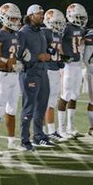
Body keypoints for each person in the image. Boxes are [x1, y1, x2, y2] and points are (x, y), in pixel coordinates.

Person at [17, 4, 55, 151]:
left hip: (42, 72)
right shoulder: (23, 32)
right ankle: (24, 140)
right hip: (30, 73)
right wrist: (36, 56)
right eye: (39, 13)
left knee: (42, 106)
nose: (42, 16)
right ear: (31, 15)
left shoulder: (41, 32)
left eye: (42, 13)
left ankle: (38, 136)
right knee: (29, 107)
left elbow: (44, 49)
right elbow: (19, 55)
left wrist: (48, 52)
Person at [0, 3, 23, 156]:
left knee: (12, 109)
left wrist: (18, 63)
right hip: (1, 75)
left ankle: (11, 141)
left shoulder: (15, 34)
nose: (15, 21)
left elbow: (12, 57)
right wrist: (9, 64)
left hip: (13, 76)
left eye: (17, 18)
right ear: (4, 18)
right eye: (12, 18)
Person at [58, 3, 88, 139]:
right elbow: (57, 41)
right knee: (65, 95)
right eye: (78, 17)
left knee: (74, 95)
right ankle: (61, 128)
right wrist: (62, 55)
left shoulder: (81, 29)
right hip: (68, 65)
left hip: (77, 64)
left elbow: (80, 44)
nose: (81, 19)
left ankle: (71, 126)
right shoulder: (65, 27)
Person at [41, 9, 67, 142]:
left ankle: (50, 131)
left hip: (56, 70)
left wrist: (62, 59)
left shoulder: (57, 34)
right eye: (56, 22)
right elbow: (41, 49)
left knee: (52, 102)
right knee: (46, 102)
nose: (59, 25)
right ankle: (45, 132)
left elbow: (59, 50)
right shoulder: (44, 32)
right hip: (47, 70)